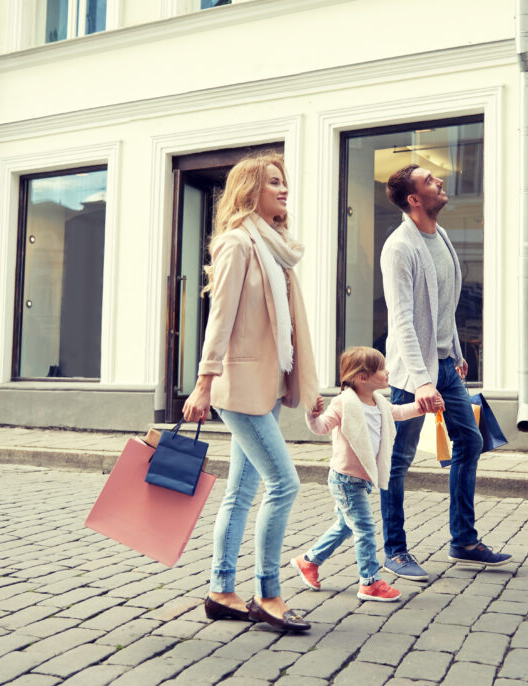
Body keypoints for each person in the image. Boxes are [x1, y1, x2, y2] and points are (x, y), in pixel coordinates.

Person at [183, 153, 318, 632]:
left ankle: (221, 590)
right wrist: (203, 382)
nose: (284, 190)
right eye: (274, 183)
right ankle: (269, 594)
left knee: (240, 493)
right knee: (285, 484)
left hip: (264, 383)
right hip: (236, 386)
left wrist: (304, 381)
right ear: (249, 190)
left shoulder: (275, 246)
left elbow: (285, 326)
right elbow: (219, 319)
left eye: (285, 182)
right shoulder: (238, 244)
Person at [378, 164, 512, 582]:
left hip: (445, 365)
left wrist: (454, 351)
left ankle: (463, 541)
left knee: (469, 441)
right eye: (430, 181)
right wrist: (420, 380)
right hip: (410, 373)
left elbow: (444, 304)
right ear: (414, 199)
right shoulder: (399, 247)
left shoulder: (442, 237)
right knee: (397, 461)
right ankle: (394, 551)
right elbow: (401, 320)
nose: (440, 182)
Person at [290, 347, 442, 601]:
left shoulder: (379, 402)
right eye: (381, 369)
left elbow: (399, 413)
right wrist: (312, 414)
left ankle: (308, 561)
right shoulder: (343, 403)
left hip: (360, 479)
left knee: (345, 526)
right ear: (362, 377)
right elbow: (321, 427)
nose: (387, 372)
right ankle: (369, 581)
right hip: (345, 479)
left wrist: (422, 407)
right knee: (364, 527)